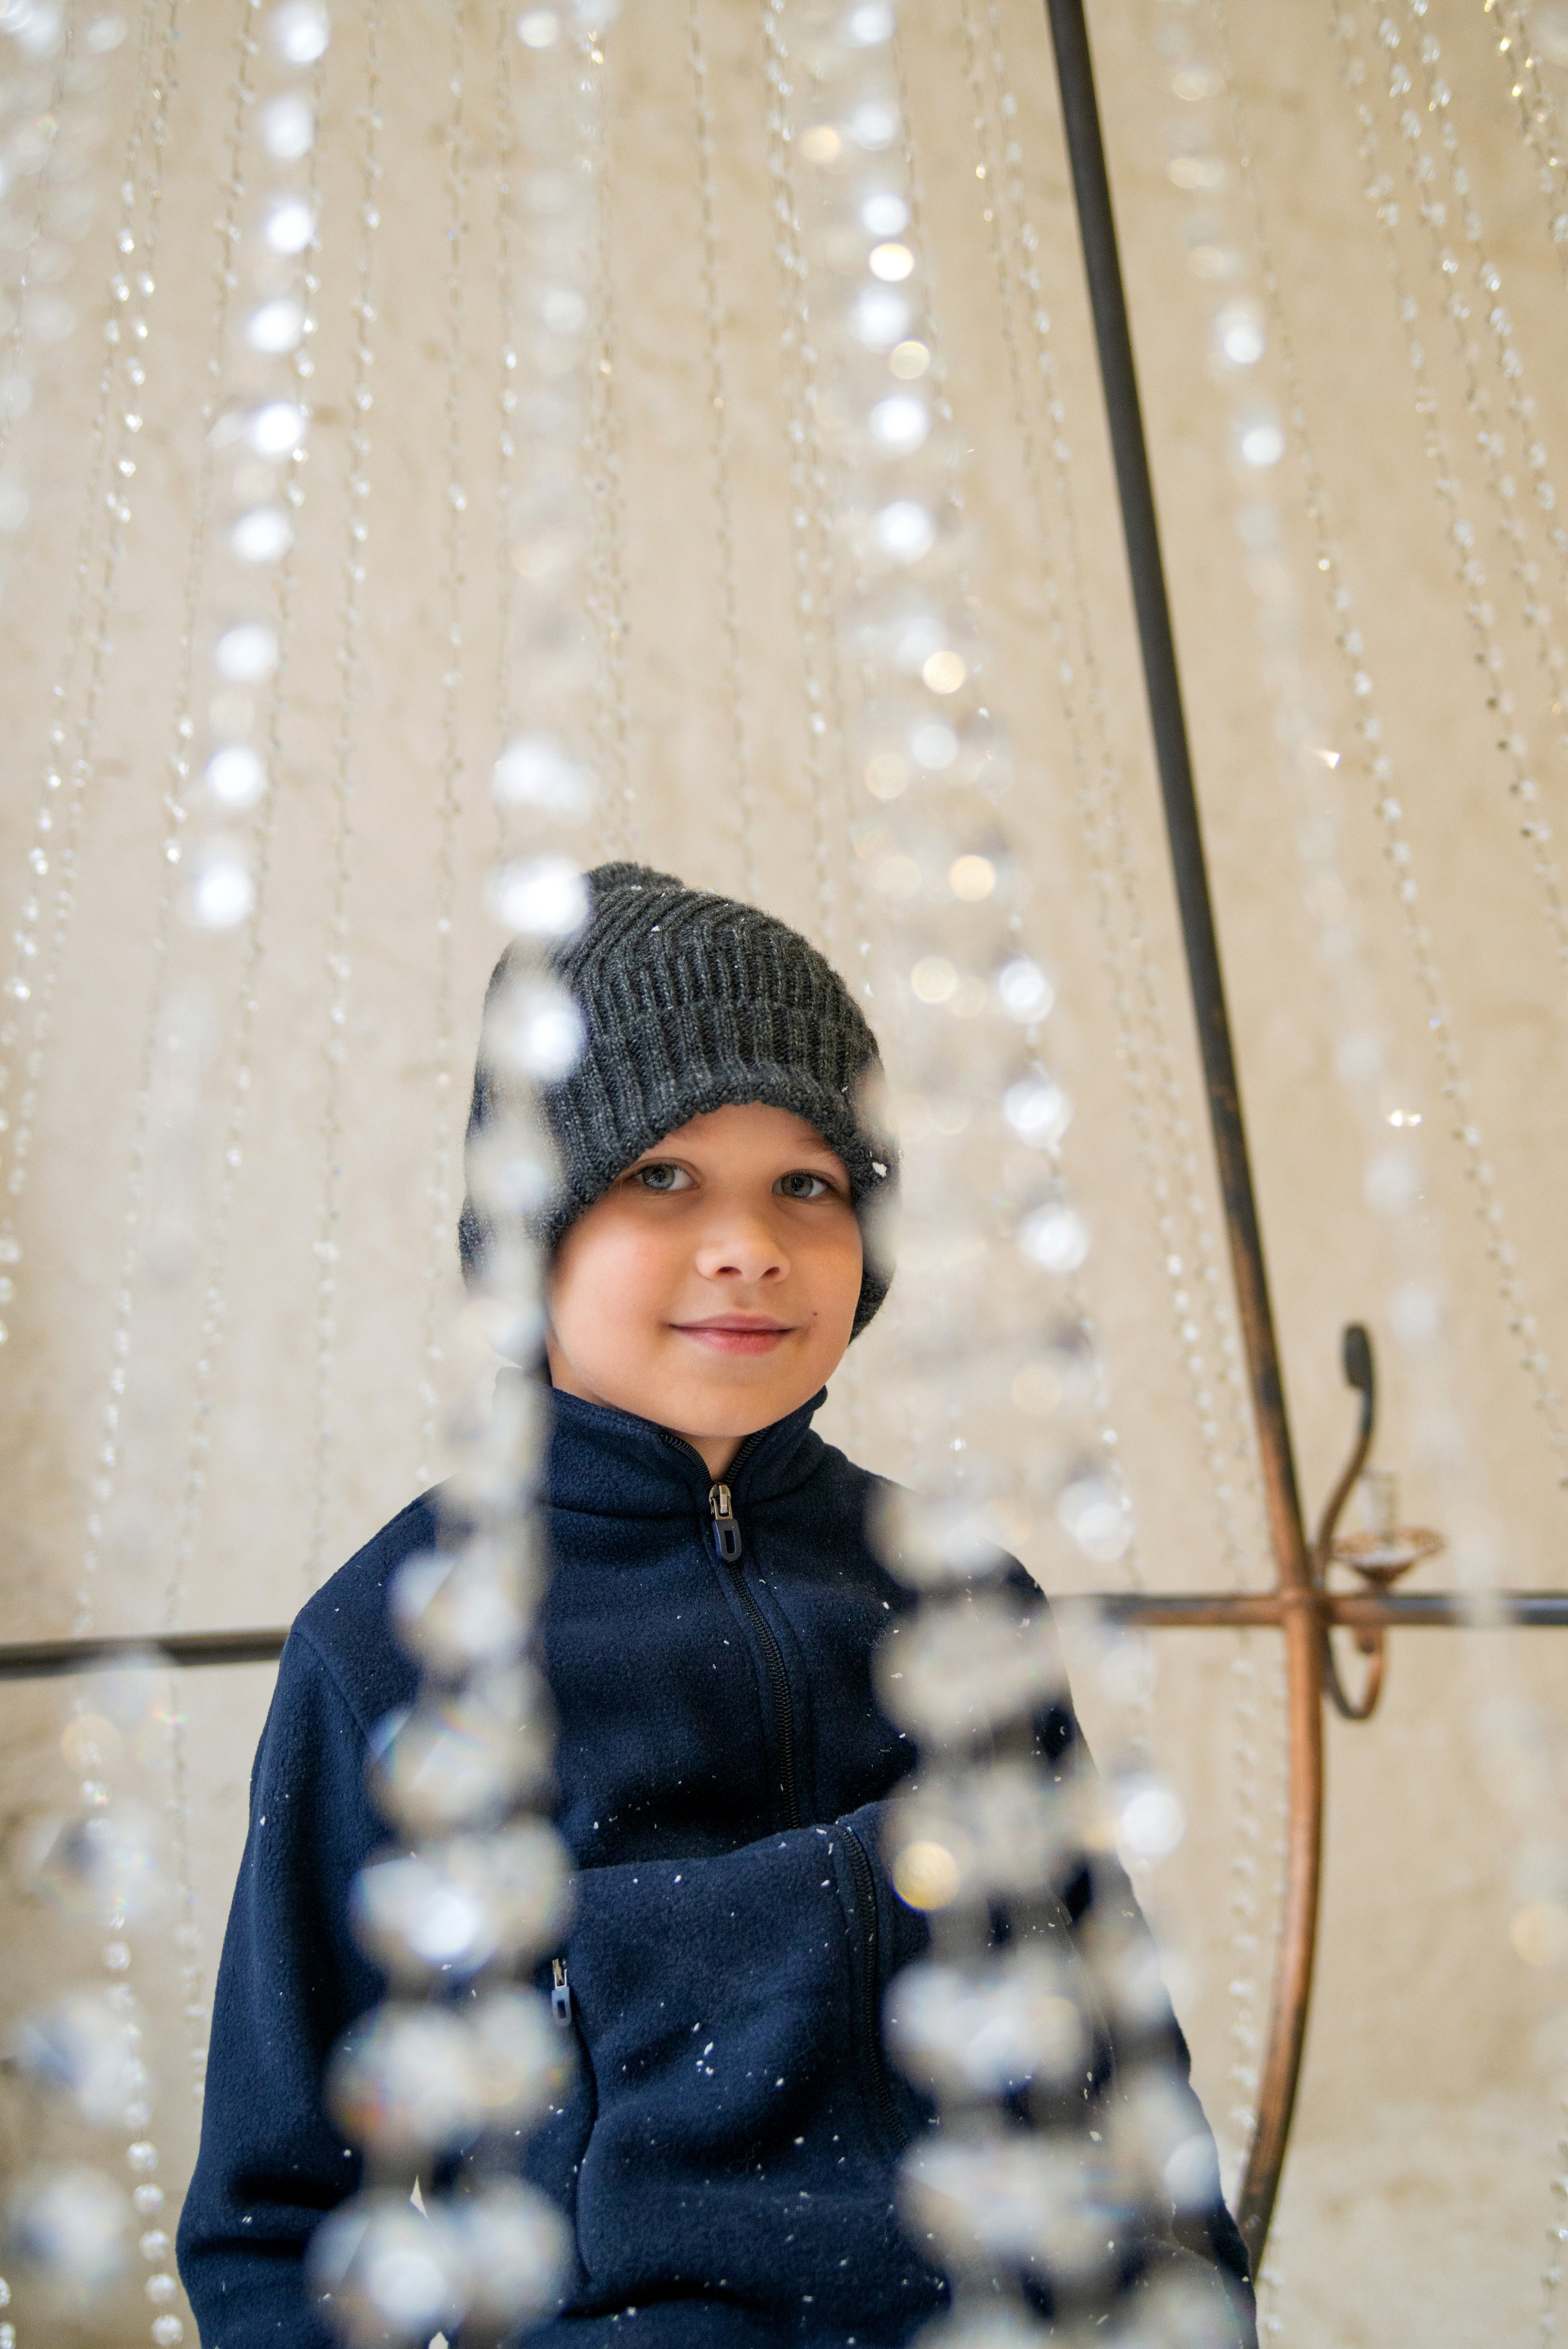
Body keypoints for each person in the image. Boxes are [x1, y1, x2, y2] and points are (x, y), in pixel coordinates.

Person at [177, 864, 1255, 2347]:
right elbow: (277, 2215)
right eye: (661, 1177)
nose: (746, 1243)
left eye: (805, 1183)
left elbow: (1113, 2042)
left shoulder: (958, 1600)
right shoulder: (395, 1648)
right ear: (528, 1235)